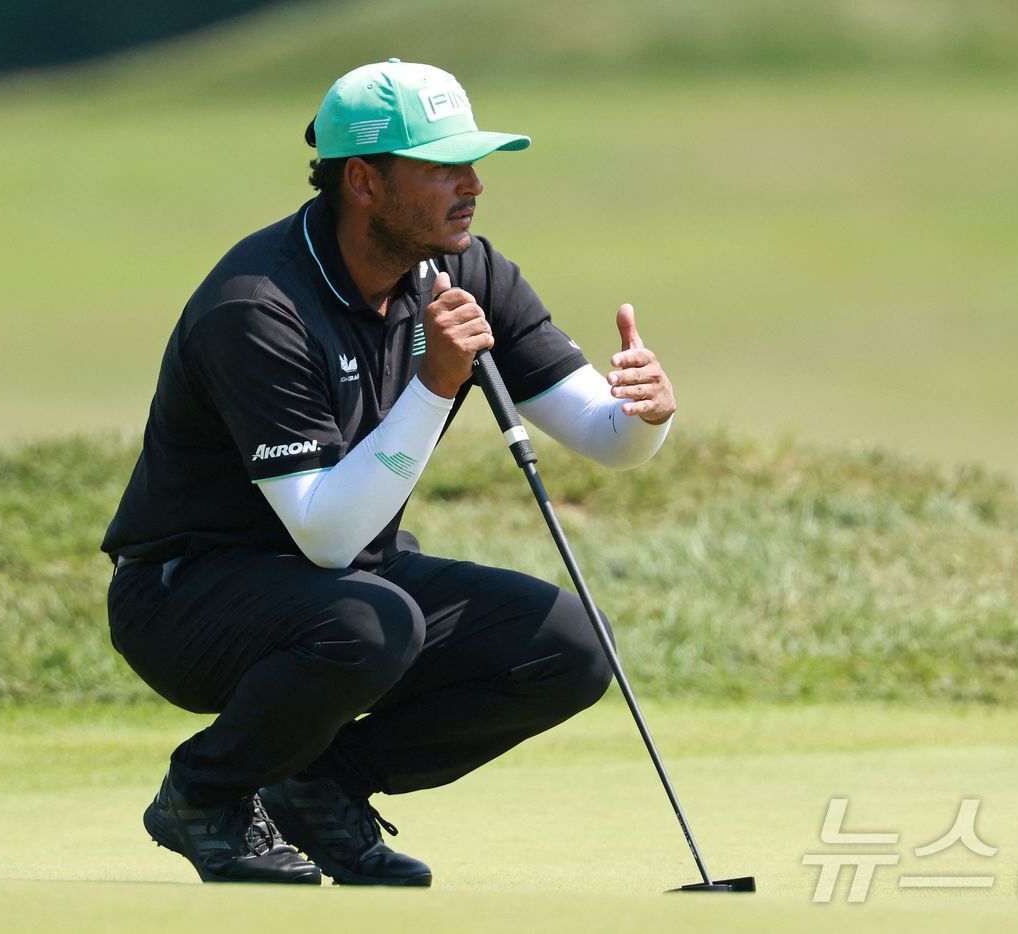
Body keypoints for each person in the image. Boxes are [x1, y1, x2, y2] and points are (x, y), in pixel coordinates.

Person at [102, 59, 678, 887]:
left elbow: (603, 435)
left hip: (350, 586)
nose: (472, 186)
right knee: (372, 622)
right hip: (188, 595)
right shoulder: (257, 305)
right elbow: (327, 533)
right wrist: (436, 383)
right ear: (365, 181)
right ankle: (206, 793)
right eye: (443, 167)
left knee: (570, 647)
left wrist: (646, 413)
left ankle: (323, 781)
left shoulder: (467, 267)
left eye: (471, 165)